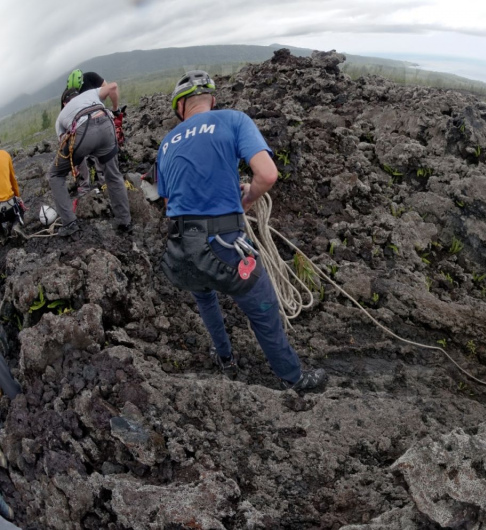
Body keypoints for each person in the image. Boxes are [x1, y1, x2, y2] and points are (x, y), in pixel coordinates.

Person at [157, 70, 326, 391]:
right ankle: (294, 379)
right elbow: (267, 175)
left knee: (206, 299)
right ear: (212, 100)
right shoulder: (233, 120)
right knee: (263, 310)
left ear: (180, 107)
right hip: (225, 243)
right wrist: (245, 199)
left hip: (182, 247)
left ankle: (224, 357)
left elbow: (170, 202)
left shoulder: (166, 143)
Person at [47, 84, 132, 236]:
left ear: (64, 103)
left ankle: (70, 223)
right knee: (113, 175)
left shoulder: (61, 116)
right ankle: (125, 221)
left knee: (55, 174)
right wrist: (115, 108)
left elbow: (64, 147)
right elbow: (113, 87)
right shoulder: (91, 93)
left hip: (82, 132)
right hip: (106, 123)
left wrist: (77, 162)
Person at [0, 150, 25, 239]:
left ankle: (2, 235)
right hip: (9, 207)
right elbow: (13, 180)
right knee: (20, 210)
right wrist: (18, 197)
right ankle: (16, 225)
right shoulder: (5, 155)